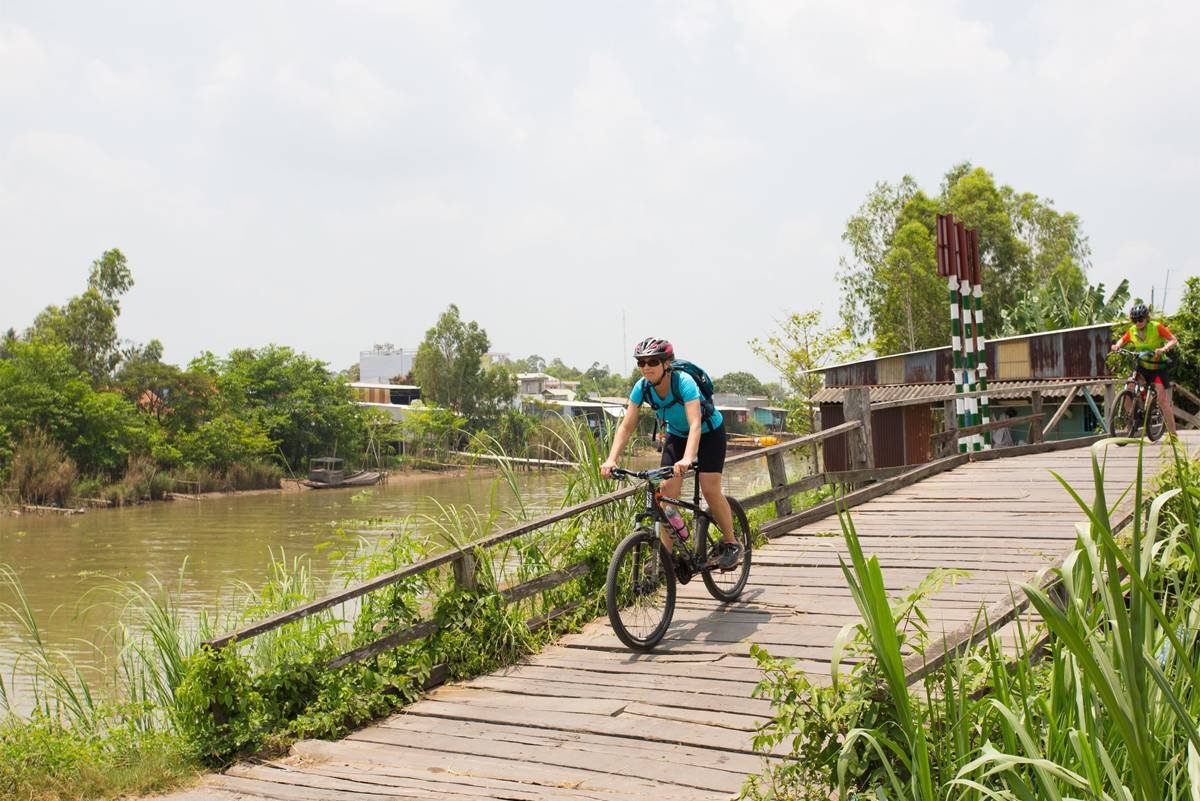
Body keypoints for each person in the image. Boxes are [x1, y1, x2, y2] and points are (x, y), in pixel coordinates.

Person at [600, 337, 741, 570]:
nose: (646, 367)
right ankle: (665, 556)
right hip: (676, 435)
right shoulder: (642, 387)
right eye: (641, 363)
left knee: (709, 487)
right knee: (666, 493)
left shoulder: (683, 382)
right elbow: (626, 426)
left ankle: (731, 543)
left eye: (652, 361)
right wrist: (611, 459)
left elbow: (695, 423)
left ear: (666, 364)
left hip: (709, 433)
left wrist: (688, 458)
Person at [1111, 302, 1179, 437]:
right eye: (1135, 320)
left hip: (1157, 367)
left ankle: (1173, 434)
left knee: (1162, 400)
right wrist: (1117, 346)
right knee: (1128, 388)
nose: (1138, 323)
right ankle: (1130, 424)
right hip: (1142, 365)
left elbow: (1173, 340)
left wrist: (1164, 349)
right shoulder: (1132, 330)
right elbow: (1122, 340)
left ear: (1146, 318)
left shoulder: (1156, 327)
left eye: (1140, 319)